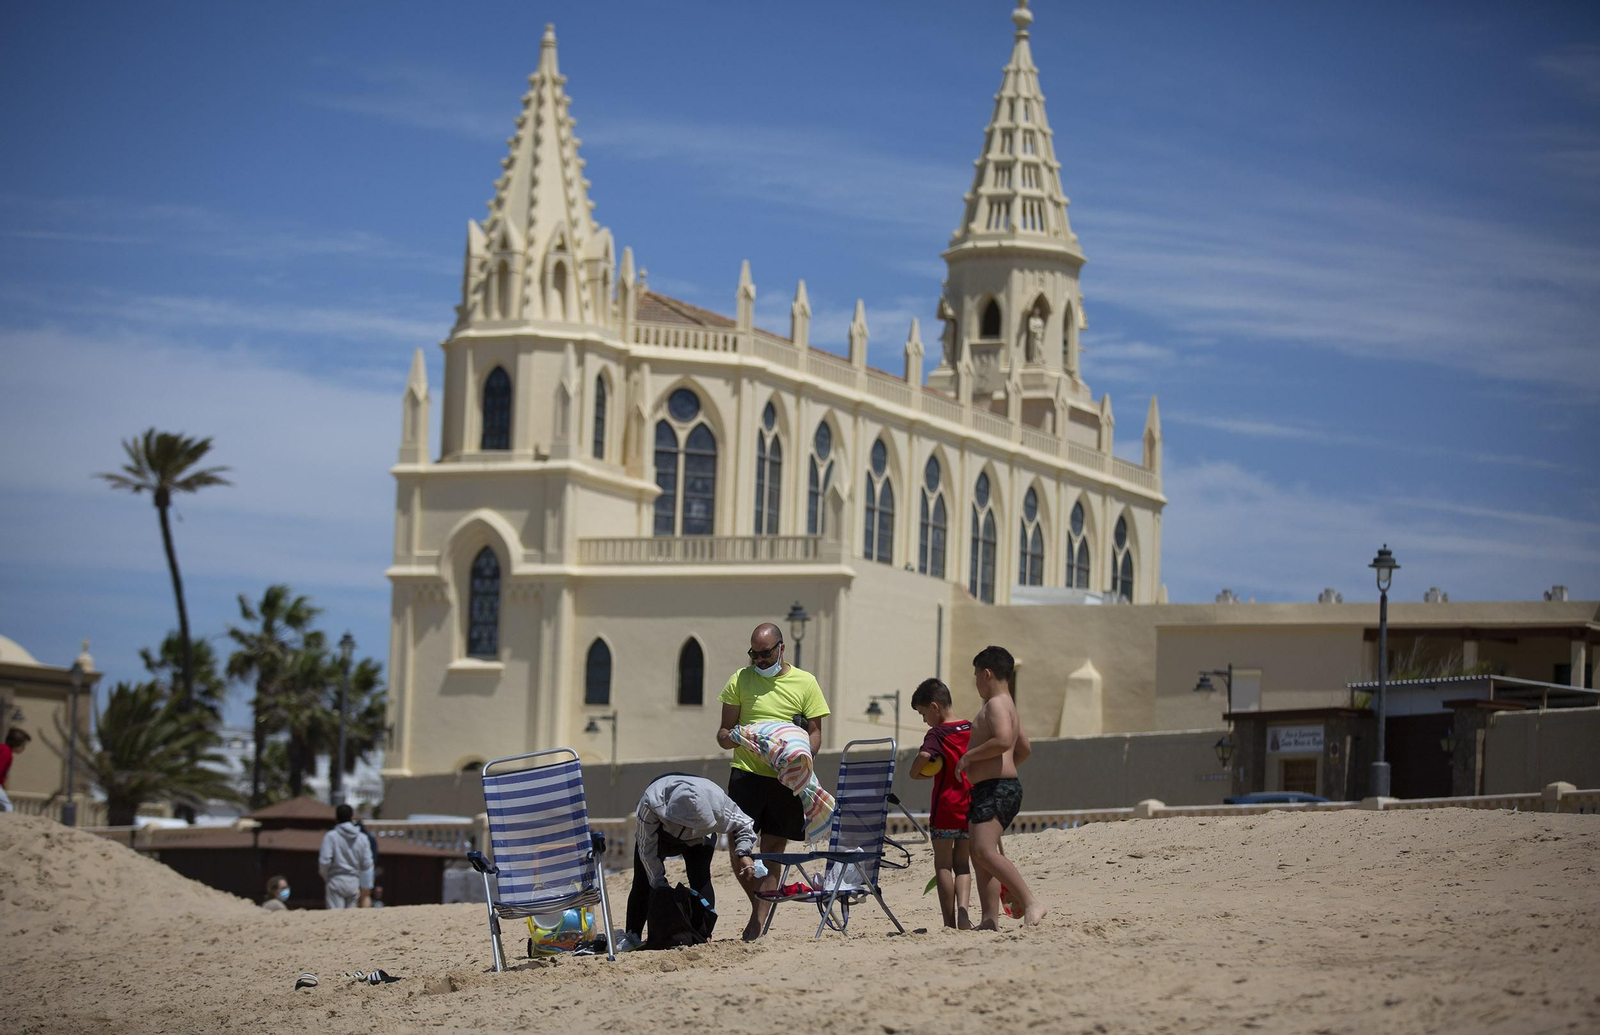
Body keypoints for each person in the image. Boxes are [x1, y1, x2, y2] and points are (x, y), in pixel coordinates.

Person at [716, 621, 830, 940]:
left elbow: (816, 733)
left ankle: (758, 921)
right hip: (746, 773)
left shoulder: (806, 682)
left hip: (785, 778)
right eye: (754, 654)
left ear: (781, 648)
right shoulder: (739, 679)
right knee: (739, 848)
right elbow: (723, 734)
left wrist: (800, 757)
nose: (760, 661)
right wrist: (738, 737)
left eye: (765, 653)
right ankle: (758, 903)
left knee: (772, 849)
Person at [957, 645, 1045, 928]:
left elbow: (1005, 741)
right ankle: (989, 919)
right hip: (995, 787)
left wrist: (969, 758)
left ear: (987, 674)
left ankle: (1031, 902)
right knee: (980, 855)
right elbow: (1025, 749)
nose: (976, 683)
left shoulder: (995, 705)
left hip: (996, 789)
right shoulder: (1009, 705)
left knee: (983, 852)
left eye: (976, 676)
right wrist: (1003, 768)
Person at [623, 773, 759, 949]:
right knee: (643, 880)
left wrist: (743, 853)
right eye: (686, 827)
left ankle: (702, 935)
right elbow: (646, 851)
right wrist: (660, 885)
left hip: (703, 837)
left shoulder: (718, 803)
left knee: (700, 878)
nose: (689, 833)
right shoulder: (651, 803)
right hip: (661, 836)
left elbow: (745, 824)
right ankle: (632, 935)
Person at [910, 678, 974, 929]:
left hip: (945, 807)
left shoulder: (937, 733)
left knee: (943, 865)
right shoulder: (970, 727)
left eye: (923, 713)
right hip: (970, 805)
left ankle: (948, 922)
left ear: (935, 707)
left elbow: (924, 756)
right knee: (963, 865)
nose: (924, 720)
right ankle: (964, 913)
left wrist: (916, 773)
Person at [318, 803, 374, 909]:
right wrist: (365, 887)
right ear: (352, 818)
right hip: (354, 882)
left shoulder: (331, 836)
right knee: (350, 919)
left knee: (335, 918)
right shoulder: (362, 838)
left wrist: (328, 877)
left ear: (336, 818)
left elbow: (324, 861)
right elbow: (367, 864)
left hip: (335, 881)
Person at [0, 727, 29, 813]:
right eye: (23, 745)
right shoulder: (7, 753)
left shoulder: (3, 748)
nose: (24, 748)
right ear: (17, 744)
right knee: (8, 807)